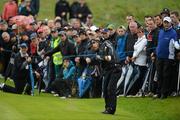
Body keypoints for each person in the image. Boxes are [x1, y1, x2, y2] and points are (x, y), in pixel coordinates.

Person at [156, 17, 180, 99]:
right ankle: (159, 92)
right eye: (165, 22)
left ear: (170, 23)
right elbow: (159, 43)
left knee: (166, 75)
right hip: (159, 56)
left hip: (168, 57)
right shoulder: (161, 31)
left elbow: (176, 44)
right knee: (159, 75)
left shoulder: (173, 32)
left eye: (167, 22)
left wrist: (177, 45)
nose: (166, 24)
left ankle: (164, 93)